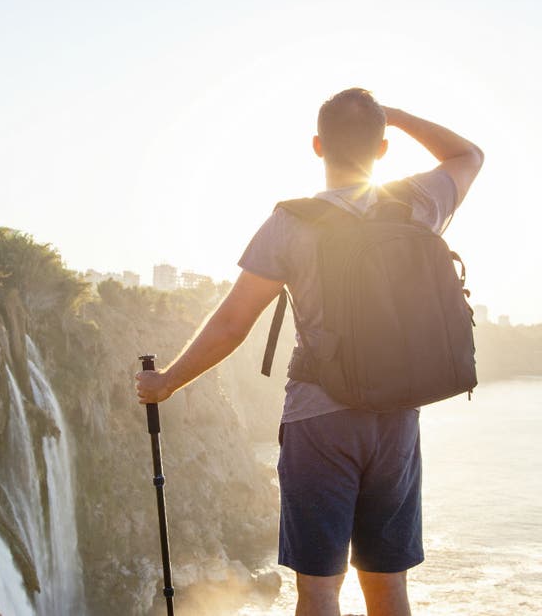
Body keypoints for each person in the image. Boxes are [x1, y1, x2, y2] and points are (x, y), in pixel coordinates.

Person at [136, 88, 484, 616]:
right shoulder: (417, 203)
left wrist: (166, 383)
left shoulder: (292, 222)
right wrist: (396, 116)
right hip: (397, 420)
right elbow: (468, 155)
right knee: (389, 585)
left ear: (317, 146)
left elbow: (231, 324)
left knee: (320, 589)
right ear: (383, 148)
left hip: (320, 418)